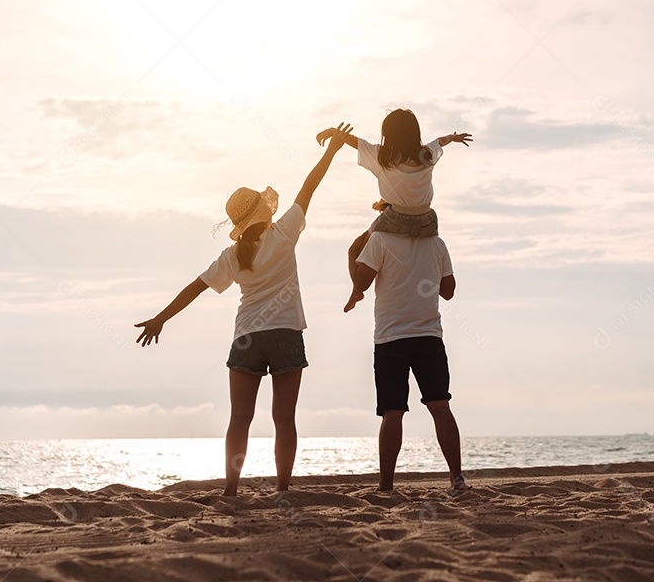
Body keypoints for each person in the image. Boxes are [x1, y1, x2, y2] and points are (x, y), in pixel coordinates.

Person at [135, 123, 353, 497]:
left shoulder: (233, 254)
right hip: (285, 333)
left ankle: (231, 491)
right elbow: (309, 186)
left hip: (248, 337)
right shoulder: (284, 233)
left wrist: (161, 319)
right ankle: (283, 490)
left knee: (239, 419)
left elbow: (195, 287)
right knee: (284, 419)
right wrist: (332, 150)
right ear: (266, 214)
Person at [316, 109, 470, 312]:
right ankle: (437, 273)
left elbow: (355, 142)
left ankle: (356, 290)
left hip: (396, 218)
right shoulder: (427, 155)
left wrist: (332, 131)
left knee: (358, 246)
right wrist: (454, 137)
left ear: (387, 135)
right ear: (415, 133)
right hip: (427, 219)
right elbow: (440, 141)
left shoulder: (382, 158)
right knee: (434, 247)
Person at [350, 228, 467, 494]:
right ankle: (457, 480)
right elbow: (448, 291)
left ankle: (386, 487)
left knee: (392, 412)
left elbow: (361, 284)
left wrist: (352, 254)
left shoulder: (379, 239)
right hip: (428, 337)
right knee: (440, 406)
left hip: (391, 339)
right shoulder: (436, 243)